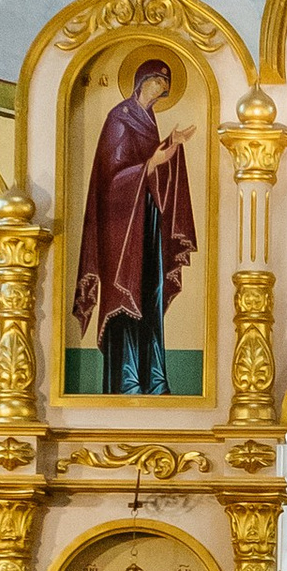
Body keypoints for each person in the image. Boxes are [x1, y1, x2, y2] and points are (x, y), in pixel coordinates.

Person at [71, 55, 197, 393]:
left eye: (164, 87)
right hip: (120, 230)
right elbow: (110, 181)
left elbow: (150, 165)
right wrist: (151, 163)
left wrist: (171, 148)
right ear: (141, 81)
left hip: (148, 221)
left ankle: (153, 380)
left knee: (151, 297)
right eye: (155, 83)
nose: (158, 91)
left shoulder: (149, 121)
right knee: (125, 299)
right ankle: (125, 382)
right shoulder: (119, 119)